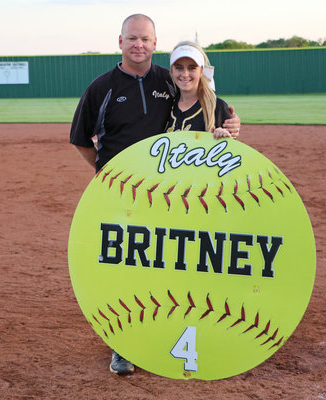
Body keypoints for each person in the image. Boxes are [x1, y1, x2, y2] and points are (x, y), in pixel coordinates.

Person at [70, 13, 241, 375]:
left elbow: (201, 94)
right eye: (132, 38)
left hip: (169, 200)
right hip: (120, 197)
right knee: (125, 270)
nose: (139, 45)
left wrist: (229, 122)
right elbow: (81, 141)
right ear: (120, 42)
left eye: (146, 39)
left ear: (154, 44)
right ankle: (124, 346)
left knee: (172, 268)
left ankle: (178, 338)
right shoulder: (102, 88)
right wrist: (108, 175)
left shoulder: (168, 79)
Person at [166, 40, 235, 140]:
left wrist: (224, 137)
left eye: (192, 68)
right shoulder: (166, 104)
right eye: (179, 68)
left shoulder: (217, 107)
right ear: (172, 70)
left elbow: (233, 152)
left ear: (201, 71)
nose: (185, 74)